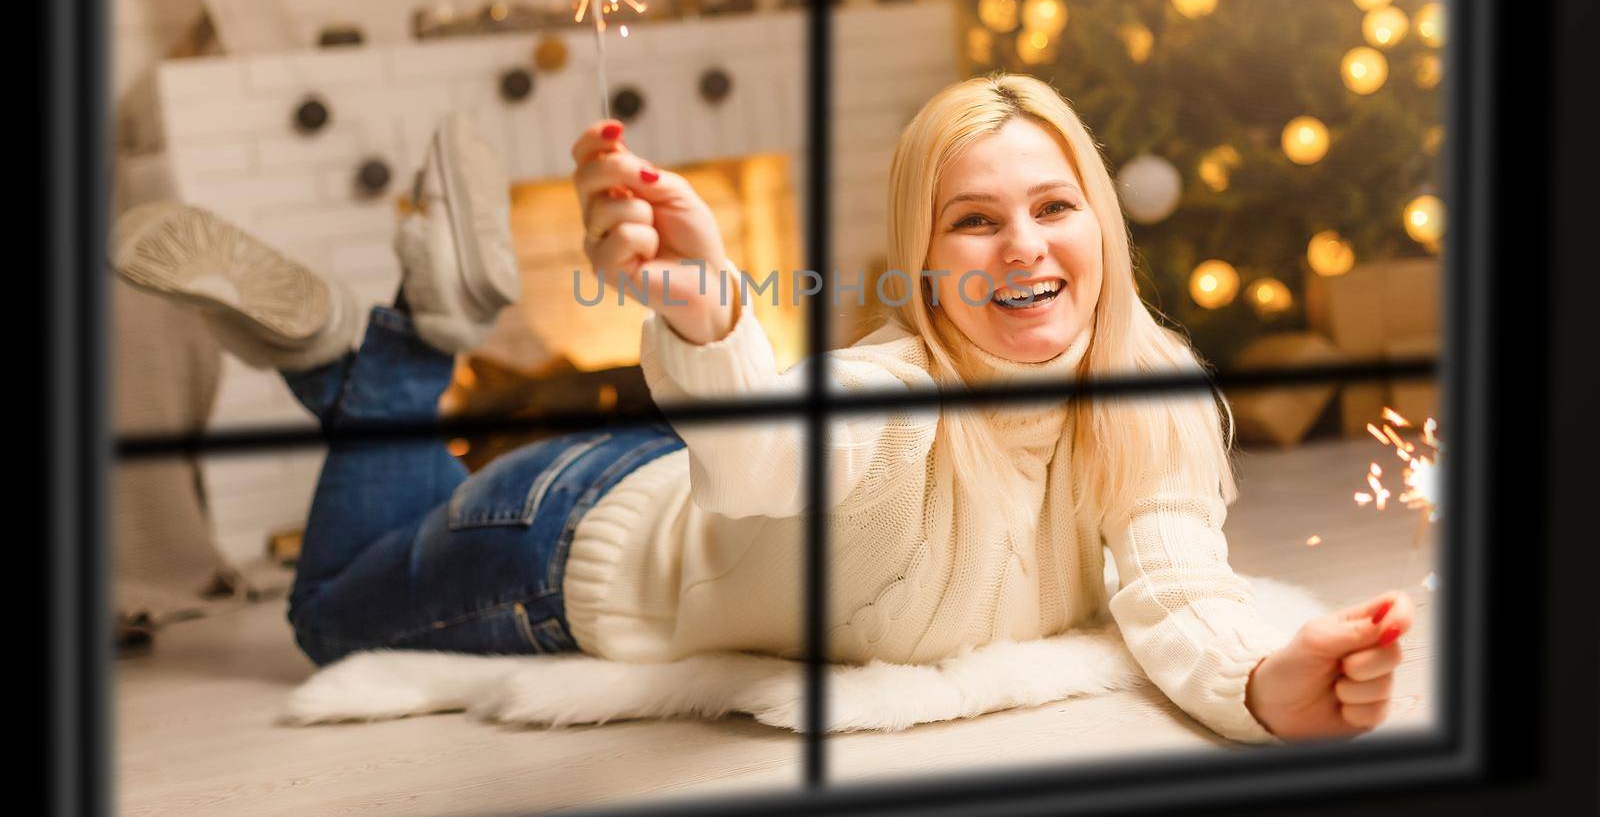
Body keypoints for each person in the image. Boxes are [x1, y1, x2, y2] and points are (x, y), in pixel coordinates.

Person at [112, 76, 1413, 744]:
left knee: (371, 518)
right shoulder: (896, 395)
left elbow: (1177, 586)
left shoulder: (1154, 388)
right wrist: (704, 310)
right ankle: (393, 362)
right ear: (922, 251)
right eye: (974, 218)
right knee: (330, 616)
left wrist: (1262, 680)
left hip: (642, 475)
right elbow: (771, 452)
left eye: (1052, 205)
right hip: (560, 554)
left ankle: (346, 364)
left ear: (1099, 224)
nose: (1023, 245)